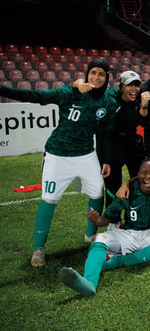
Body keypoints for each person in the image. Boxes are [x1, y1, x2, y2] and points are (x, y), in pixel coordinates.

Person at [0, 59, 117, 267]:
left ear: (108, 77)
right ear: (87, 74)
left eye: (101, 74)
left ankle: (90, 235)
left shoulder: (108, 101)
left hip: (86, 154)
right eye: (93, 73)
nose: (96, 78)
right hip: (57, 154)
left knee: (98, 191)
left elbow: (107, 134)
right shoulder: (69, 93)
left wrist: (106, 159)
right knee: (49, 199)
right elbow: (37, 96)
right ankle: (39, 249)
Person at [58, 158, 150, 296]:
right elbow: (107, 218)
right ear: (138, 174)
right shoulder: (127, 190)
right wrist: (97, 221)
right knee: (98, 238)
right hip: (128, 233)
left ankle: (115, 261)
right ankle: (89, 283)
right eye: (144, 172)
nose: (148, 177)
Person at [93, 70, 145, 209]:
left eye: (137, 85)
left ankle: (138, 213)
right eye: (129, 85)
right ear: (121, 86)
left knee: (140, 178)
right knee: (112, 183)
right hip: (111, 144)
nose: (134, 89)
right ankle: (113, 218)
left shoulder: (141, 98)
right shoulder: (110, 97)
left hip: (131, 142)